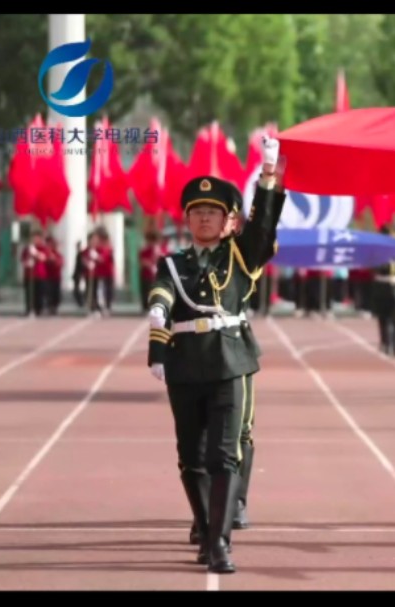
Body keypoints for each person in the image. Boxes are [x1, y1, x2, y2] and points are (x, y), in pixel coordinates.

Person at [146, 136, 286, 574]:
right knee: (191, 456)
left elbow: (263, 227)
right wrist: (157, 318)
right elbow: (164, 290)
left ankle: (220, 542)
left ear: (228, 222)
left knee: (224, 455)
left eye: (214, 212)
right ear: (188, 219)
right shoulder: (174, 263)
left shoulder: (242, 255)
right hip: (186, 361)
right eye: (197, 212)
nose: (204, 218)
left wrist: (267, 175)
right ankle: (206, 527)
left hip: (230, 361)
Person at [371, 225, 395, 356]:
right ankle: (385, 342)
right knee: (383, 317)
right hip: (381, 285)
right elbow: (374, 269)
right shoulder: (377, 253)